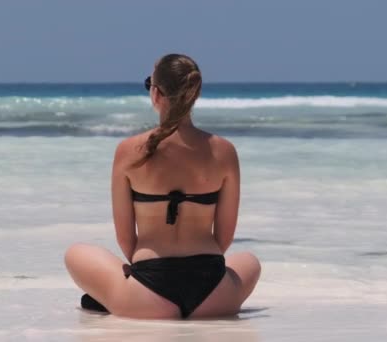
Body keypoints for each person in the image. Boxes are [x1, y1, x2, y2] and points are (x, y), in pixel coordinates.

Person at [64, 53, 260, 319]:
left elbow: (126, 239)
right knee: (250, 261)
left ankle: (118, 297)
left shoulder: (129, 151)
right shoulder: (224, 151)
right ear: (195, 93)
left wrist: (151, 280)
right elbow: (224, 238)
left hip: (149, 295)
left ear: (155, 93)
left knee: (76, 253)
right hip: (213, 294)